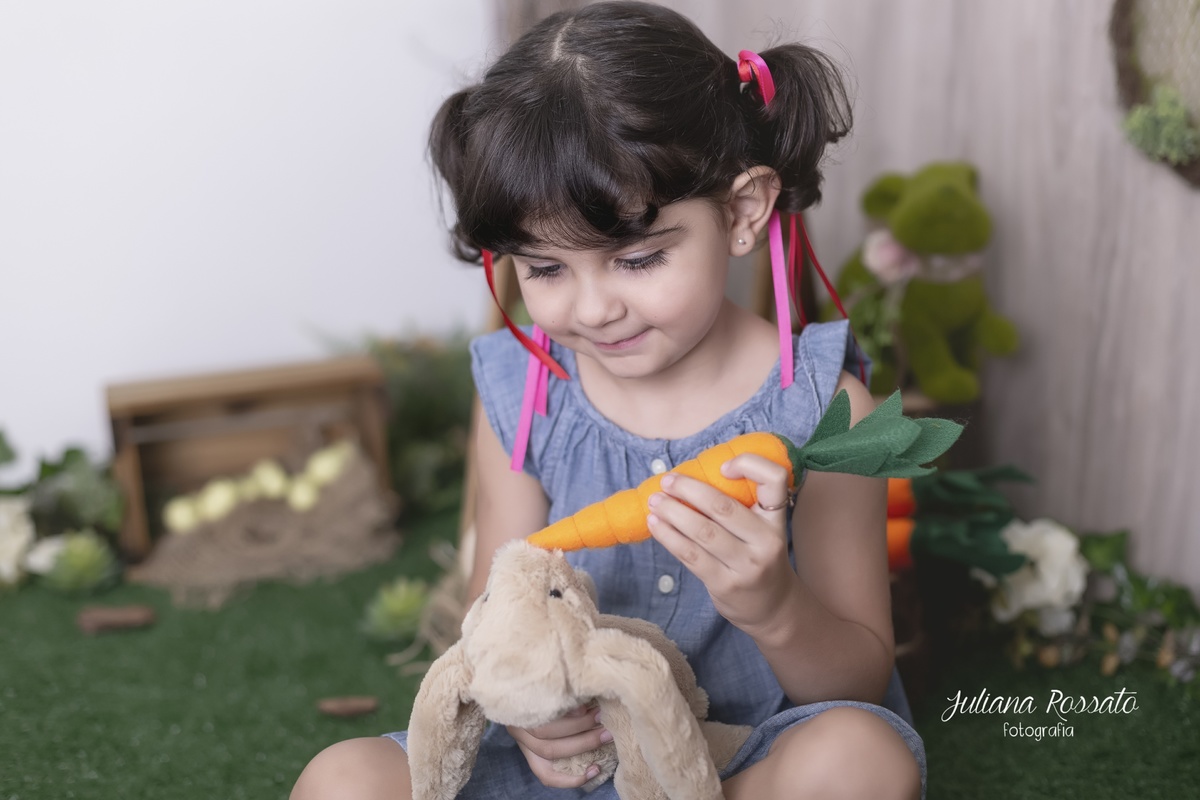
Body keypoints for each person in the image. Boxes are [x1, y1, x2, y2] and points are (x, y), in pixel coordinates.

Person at [292, 2, 924, 798]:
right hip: (566, 770)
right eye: (547, 270)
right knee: (341, 779)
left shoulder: (828, 411)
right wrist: (527, 712)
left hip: (740, 761)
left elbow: (858, 681)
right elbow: (503, 619)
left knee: (863, 761)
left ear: (741, 211)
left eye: (636, 259)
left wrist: (775, 606)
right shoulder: (523, 397)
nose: (591, 310)